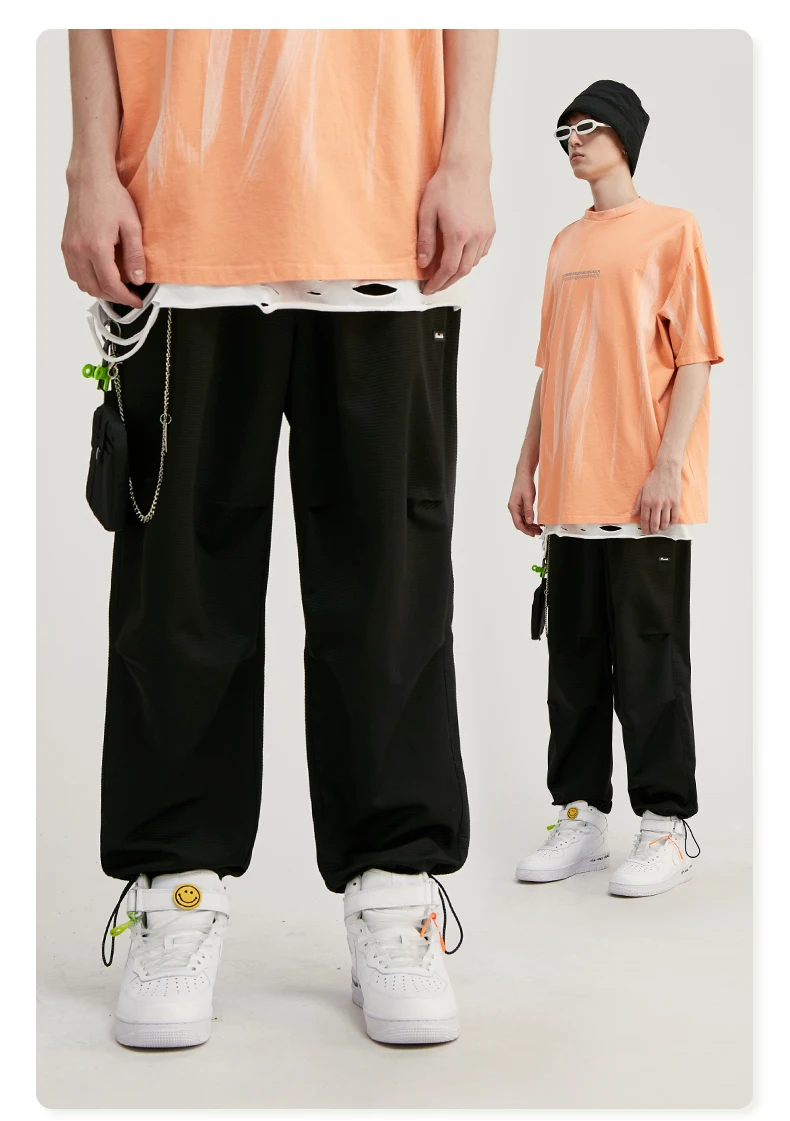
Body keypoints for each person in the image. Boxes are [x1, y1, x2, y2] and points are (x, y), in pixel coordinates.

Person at [62, 28, 497, 1048]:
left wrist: (468, 153)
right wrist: (89, 165)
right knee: (177, 591)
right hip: (181, 215)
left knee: (391, 586)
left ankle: (395, 886)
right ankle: (175, 890)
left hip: (381, 207)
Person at [508, 80, 722, 899]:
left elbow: (695, 356)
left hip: (643, 494)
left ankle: (666, 825)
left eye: (587, 126)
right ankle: (581, 816)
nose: (573, 140)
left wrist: (669, 464)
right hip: (570, 492)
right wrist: (525, 466)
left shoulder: (672, 230)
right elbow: (551, 367)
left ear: (624, 136)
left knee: (650, 665)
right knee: (573, 664)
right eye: (564, 130)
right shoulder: (564, 243)